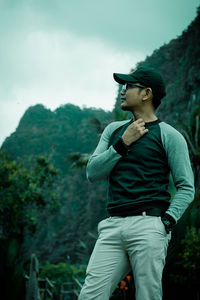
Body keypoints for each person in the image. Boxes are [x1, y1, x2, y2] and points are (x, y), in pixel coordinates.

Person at [78, 66, 195, 300]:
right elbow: (92, 172)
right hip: (112, 227)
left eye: (129, 86)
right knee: (89, 296)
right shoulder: (113, 130)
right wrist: (123, 143)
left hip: (149, 227)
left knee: (147, 296)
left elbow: (186, 187)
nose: (123, 91)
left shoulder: (169, 135)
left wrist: (166, 222)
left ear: (146, 93)